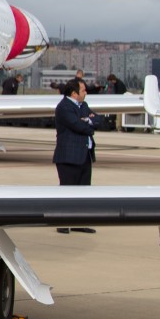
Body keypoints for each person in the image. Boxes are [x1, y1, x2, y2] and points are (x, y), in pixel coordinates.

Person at [53, 78, 97, 234]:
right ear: (74, 93)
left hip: (85, 155)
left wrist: (88, 121)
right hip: (69, 157)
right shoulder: (63, 107)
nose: (86, 93)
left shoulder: (83, 105)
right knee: (67, 190)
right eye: (83, 90)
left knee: (83, 191)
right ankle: (63, 222)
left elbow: (98, 120)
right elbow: (78, 126)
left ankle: (79, 222)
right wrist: (89, 124)